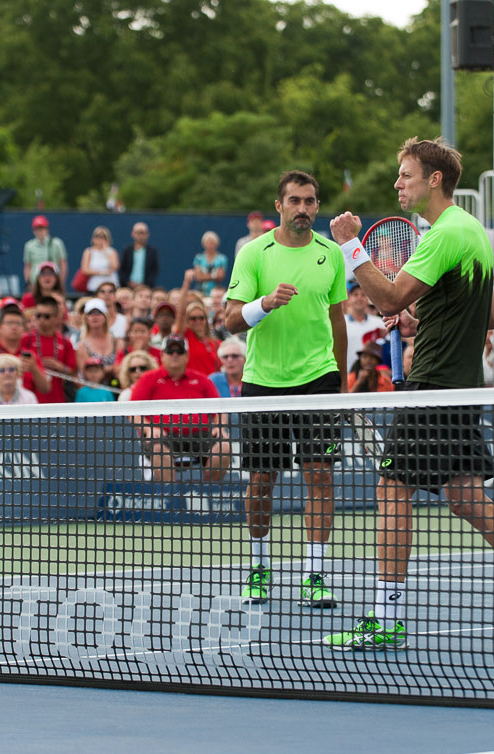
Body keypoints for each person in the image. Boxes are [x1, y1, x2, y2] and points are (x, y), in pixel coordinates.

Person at [328, 137, 494, 650]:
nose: (398, 183)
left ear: (434, 179)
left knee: (391, 489)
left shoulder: (443, 235)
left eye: (406, 175)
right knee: (465, 497)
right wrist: (416, 321)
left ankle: (385, 619)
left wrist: (352, 244)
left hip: (434, 387)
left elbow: (387, 293)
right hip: (461, 385)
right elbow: (481, 316)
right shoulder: (471, 233)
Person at [223, 169, 348, 609]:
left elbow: (337, 322)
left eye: (310, 201)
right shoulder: (254, 253)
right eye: (294, 201)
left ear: (317, 205)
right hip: (265, 382)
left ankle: (315, 574)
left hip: (319, 379)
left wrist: (344, 386)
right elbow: (231, 319)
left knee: (320, 476)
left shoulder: (332, 254)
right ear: (279, 206)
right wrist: (265, 303)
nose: (303, 209)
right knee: (261, 481)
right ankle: (259, 566)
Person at [129, 336, 231, 483]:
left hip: (198, 434)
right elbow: (133, 412)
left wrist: (219, 427)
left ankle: (211, 492)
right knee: (158, 448)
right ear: (162, 355)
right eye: (170, 351)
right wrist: (148, 429)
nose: (175, 355)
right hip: (163, 435)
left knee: (224, 446)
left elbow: (219, 410)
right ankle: (170, 495)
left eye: (179, 351)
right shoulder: (148, 379)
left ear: (187, 356)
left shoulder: (202, 379)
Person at [0, 299, 51, 402]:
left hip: (25, 406)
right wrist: (10, 370)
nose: (14, 327)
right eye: (9, 323)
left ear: (23, 328)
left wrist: (33, 369)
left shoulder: (29, 355)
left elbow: (45, 389)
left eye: (18, 323)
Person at [20, 296, 76, 404]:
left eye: (46, 316)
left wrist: (59, 366)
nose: (41, 320)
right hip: (29, 399)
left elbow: (72, 371)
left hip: (57, 399)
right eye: (38, 316)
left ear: (56, 317)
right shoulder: (25, 339)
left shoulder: (65, 342)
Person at [173, 281, 220, 378]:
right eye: (193, 318)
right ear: (187, 321)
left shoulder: (216, 343)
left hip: (211, 388)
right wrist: (186, 284)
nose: (197, 321)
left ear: (206, 319)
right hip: (193, 386)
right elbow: (181, 314)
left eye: (201, 318)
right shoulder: (186, 336)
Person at [343, 281, 388, 373]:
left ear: (367, 299)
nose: (359, 298)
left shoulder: (379, 323)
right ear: (349, 298)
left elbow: (387, 349)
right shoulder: (342, 323)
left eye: (363, 295)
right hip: (347, 376)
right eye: (355, 295)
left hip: (374, 378)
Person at [75, 298, 120, 381]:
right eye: (90, 314)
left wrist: (98, 370)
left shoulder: (116, 341)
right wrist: (110, 369)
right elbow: (85, 374)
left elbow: (121, 368)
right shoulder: (82, 345)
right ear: (86, 318)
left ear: (105, 316)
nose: (94, 317)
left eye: (98, 313)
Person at [23, 215, 67, 284]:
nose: (40, 231)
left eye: (42, 228)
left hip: (53, 283)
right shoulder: (29, 245)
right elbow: (28, 266)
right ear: (33, 231)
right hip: (35, 283)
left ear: (47, 229)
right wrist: (28, 282)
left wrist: (61, 282)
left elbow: (63, 264)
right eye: (37, 229)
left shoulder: (57, 243)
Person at [79, 226, 120, 293]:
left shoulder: (111, 252)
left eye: (103, 237)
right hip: (94, 287)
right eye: (97, 236)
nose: (100, 239)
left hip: (111, 286)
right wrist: (102, 272)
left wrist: (106, 251)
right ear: (93, 238)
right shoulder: (88, 251)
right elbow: (85, 270)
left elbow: (115, 267)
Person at [119, 222, 160, 288]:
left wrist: (145, 285)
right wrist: (128, 282)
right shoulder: (127, 250)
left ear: (148, 234)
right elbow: (122, 269)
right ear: (132, 234)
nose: (140, 235)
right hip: (127, 287)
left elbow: (154, 271)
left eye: (143, 233)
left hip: (146, 288)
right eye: (138, 232)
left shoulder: (153, 251)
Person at [190, 231, 227, 296]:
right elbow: (198, 277)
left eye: (212, 243)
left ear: (216, 244)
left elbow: (220, 276)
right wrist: (214, 275)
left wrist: (203, 275)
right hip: (200, 292)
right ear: (203, 244)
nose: (210, 245)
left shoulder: (222, 258)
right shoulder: (198, 258)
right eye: (207, 243)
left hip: (216, 292)